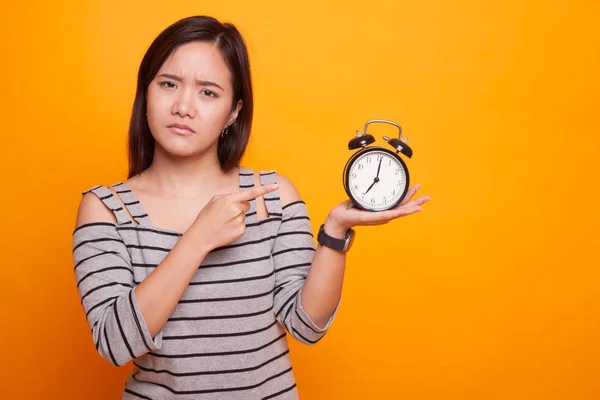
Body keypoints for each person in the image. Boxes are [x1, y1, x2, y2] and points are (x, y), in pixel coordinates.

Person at [72, 15, 430, 399]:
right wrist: (196, 240)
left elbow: (307, 326)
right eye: (169, 84)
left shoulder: (272, 196)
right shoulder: (106, 209)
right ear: (146, 92)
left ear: (233, 112)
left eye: (208, 92)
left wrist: (335, 232)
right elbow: (115, 343)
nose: (183, 106)